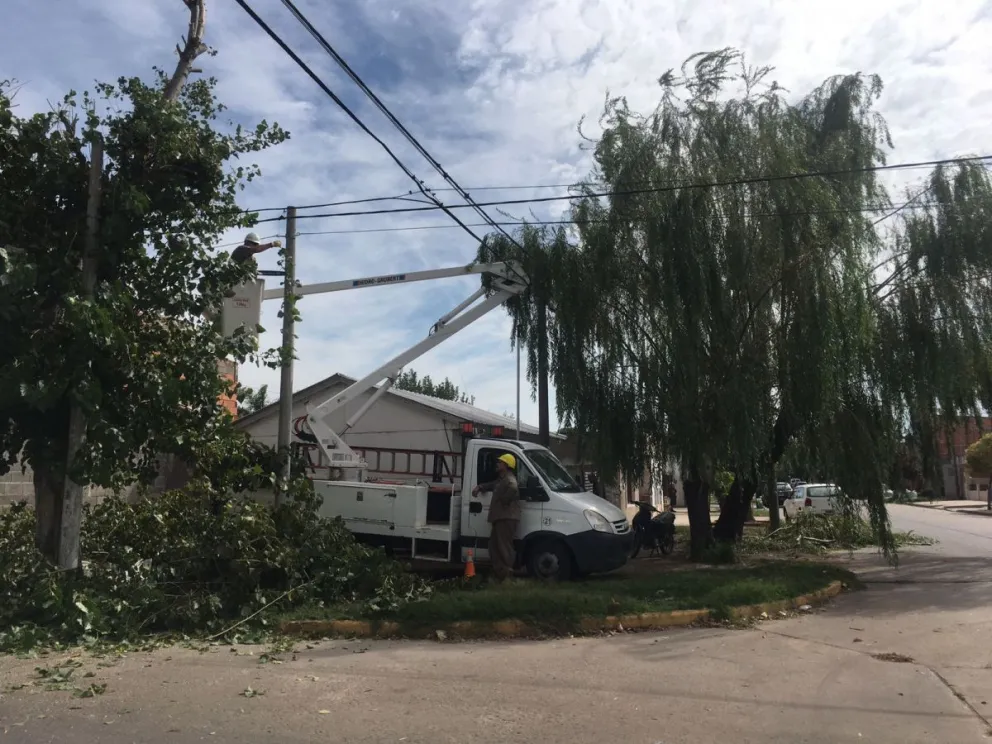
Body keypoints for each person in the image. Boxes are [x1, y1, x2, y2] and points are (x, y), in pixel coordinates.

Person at [472, 453, 520, 582]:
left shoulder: (509, 479)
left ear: (506, 465)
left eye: (500, 462)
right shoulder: (501, 479)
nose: (497, 464)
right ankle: (500, 574)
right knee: (494, 546)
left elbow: (513, 488)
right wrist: (480, 487)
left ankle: (507, 575)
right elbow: (493, 484)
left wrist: (505, 501)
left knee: (503, 547)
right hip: (501, 518)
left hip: (506, 518)